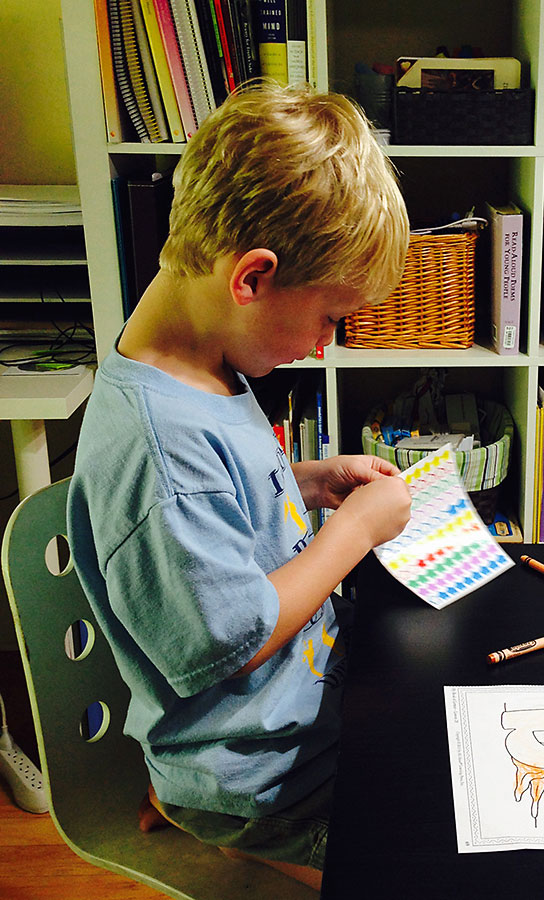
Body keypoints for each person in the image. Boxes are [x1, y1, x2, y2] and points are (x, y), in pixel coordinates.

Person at [66, 81, 412, 890]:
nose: (326, 346)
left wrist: (310, 482)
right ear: (252, 277)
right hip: (261, 780)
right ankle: (231, 831)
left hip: (295, 719)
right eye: (330, 317)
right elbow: (229, 637)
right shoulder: (158, 446)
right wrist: (352, 532)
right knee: (422, 859)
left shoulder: (202, 364)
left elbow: (214, 517)